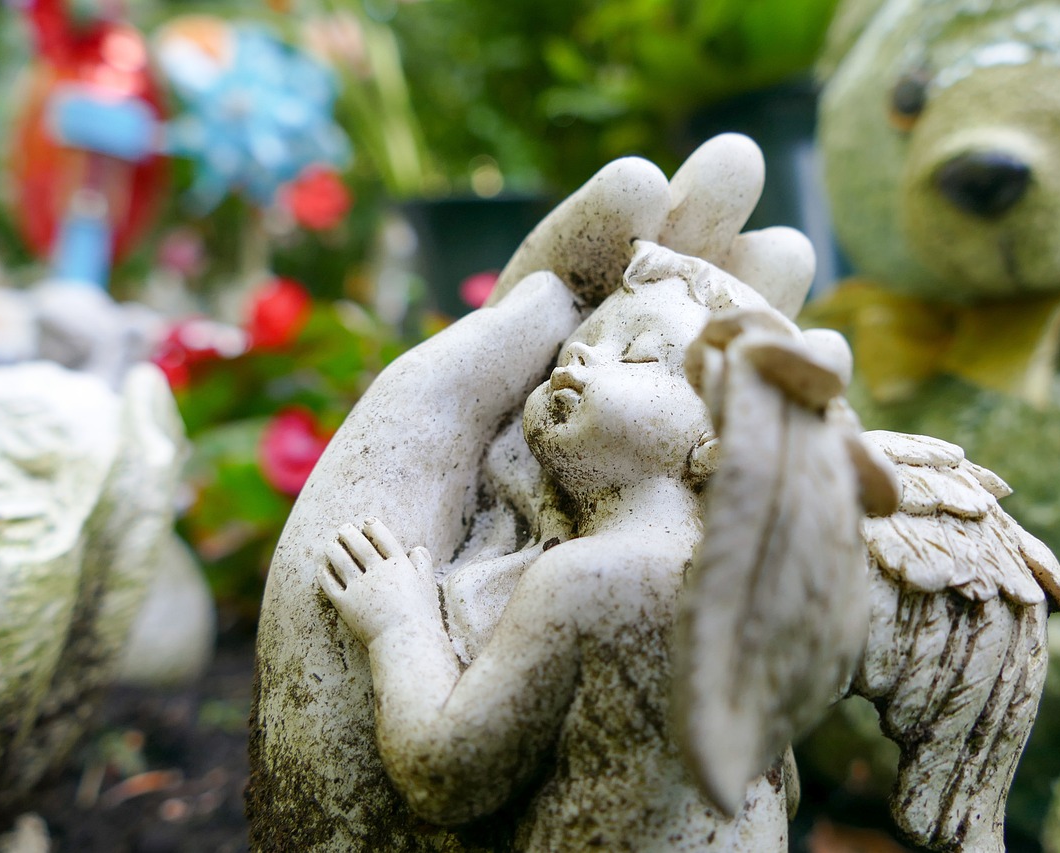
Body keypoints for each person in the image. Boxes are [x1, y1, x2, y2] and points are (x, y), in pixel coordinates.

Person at [317, 244, 822, 850]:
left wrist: (398, 624)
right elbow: (785, 791)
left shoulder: (591, 575)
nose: (580, 354)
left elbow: (446, 774)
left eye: (637, 352)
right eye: (580, 343)